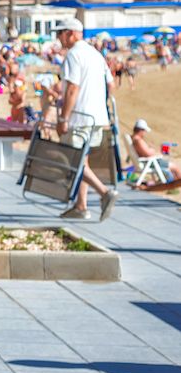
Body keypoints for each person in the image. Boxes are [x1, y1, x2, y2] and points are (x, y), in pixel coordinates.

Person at [54, 18, 117, 221]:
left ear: (71, 33)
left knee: (72, 160)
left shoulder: (74, 55)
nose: (58, 38)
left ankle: (104, 193)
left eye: (60, 33)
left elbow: (72, 89)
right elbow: (111, 84)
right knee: (83, 159)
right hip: (97, 116)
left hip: (79, 117)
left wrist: (63, 117)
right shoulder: (95, 54)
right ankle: (81, 206)